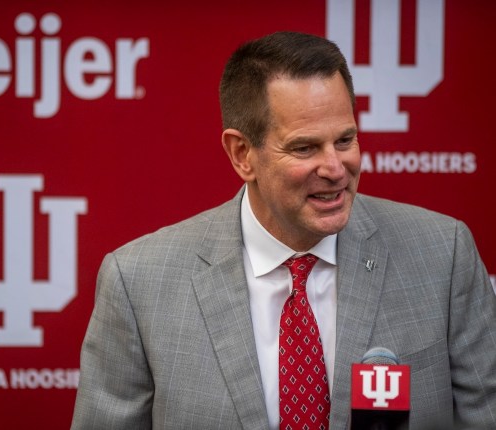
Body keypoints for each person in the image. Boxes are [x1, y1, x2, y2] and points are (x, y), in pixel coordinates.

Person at [70, 31, 496, 430]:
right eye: (305, 147)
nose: (335, 169)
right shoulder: (139, 283)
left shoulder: (444, 255)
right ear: (242, 155)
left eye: (345, 140)